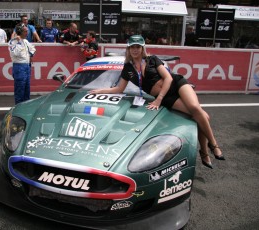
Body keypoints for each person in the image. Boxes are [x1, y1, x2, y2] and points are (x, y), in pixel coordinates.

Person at [90, 35, 225, 169]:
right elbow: (119, 89)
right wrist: (100, 91)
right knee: (203, 116)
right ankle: (204, 152)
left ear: (142, 48)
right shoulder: (127, 68)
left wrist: (158, 99)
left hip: (177, 85)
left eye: (138, 47)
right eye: (132, 47)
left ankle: (213, 145)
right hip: (168, 98)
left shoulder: (152, 59)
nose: (135, 50)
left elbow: (168, 78)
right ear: (128, 49)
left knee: (195, 107)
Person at [8, 24, 36, 104]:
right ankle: (18, 108)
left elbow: (33, 49)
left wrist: (30, 55)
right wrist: (19, 42)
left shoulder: (26, 41)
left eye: (27, 31)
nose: (27, 33)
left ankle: (26, 107)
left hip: (27, 67)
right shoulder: (12, 42)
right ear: (20, 32)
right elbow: (16, 53)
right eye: (25, 31)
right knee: (20, 90)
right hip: (19, 67)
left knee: (27, 90)